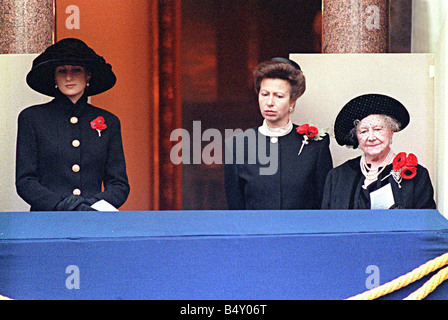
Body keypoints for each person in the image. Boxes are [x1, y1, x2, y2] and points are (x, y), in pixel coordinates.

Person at [16, 38, 130, 211]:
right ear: (54, 77)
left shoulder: (109, 121)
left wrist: (89, 207)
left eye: (76, 70)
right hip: (48, 220)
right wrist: (61, 204)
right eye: (62, 71)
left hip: (93, 220)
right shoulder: (32, 118)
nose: (69, 77)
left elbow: (118, 184)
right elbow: (26, 180)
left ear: (88, 75)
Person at [224, 58, 333, 210]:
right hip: (256, 232)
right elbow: (235, 206)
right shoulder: (238, 145)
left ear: (292, 101)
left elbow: (323, 202)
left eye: (279, 96)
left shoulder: (315, 145)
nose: (269, 102)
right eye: (264, 94)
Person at [321, 93, 436, 209]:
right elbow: (327, 223)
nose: (371, 137)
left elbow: (425, 222)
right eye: (363, 131)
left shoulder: (417, 176)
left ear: (391, 131)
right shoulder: (338, 176)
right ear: (356, 136)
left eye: (377, 129)